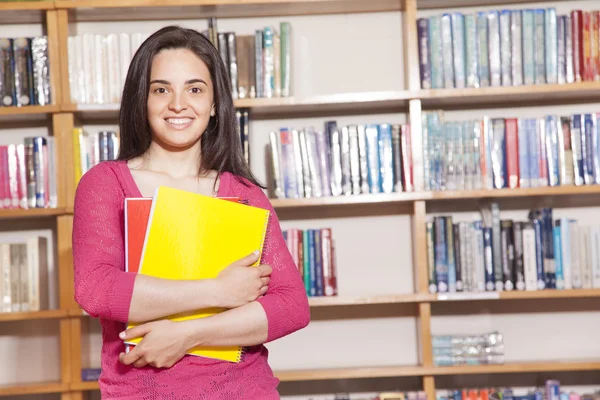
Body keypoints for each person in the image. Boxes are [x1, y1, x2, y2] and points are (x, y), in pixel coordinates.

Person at [72, 25, 310, 399]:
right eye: (161, 89)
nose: (178, 104)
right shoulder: (106, 183)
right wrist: (217, 290)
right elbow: (96, 289)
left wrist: (187, 334)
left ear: (215, 104)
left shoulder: (245, 194)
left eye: (195, 89)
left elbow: (292, 306)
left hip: (245, 390)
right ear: (142, 99)